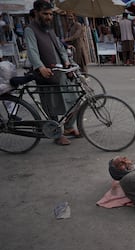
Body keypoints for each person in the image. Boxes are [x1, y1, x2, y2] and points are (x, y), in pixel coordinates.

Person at [24, 0, 80, 145]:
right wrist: (40, 67)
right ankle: (56, 134)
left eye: (50, 14)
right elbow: (32, 51)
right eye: (45, 14)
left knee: (75, 100)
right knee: (51, 106)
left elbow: (60, 47)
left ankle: (68, 127)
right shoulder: (30, 30)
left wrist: (67, 62)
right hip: (46, 74)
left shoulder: (49, 29)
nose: (49, 17)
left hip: (60, 71)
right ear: (36, 13)